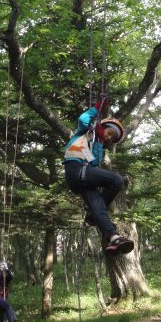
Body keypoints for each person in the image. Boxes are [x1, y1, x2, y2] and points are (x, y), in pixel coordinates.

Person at [63, 95, 134, 255]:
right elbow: (83, 119)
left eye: (111, 138)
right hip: (75, 169)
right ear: (104, 127)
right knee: (116, 180)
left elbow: (93, 163)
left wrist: (99, 144)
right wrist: (97, 109)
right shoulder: (85, 132)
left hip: (83, 178)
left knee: (98, 209)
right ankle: (96, 214)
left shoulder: (99, 148)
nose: (108, 137)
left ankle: (113, 237)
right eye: (109, 132)